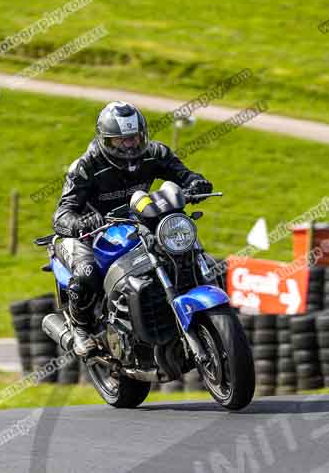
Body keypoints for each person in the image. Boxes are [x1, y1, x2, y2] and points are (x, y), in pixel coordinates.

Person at [53, 101, 213, 356]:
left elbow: (183, 174)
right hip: (90, 233)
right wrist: (80, 223)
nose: (130, 145)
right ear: (106, 140)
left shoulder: (155, 153)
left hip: (135, 220)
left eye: (135, 138)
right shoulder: (85, 166)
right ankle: (80, 328)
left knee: (183, 249)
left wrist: (196, 183)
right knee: (86, 273)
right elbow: (62, 213)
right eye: (121, 141)